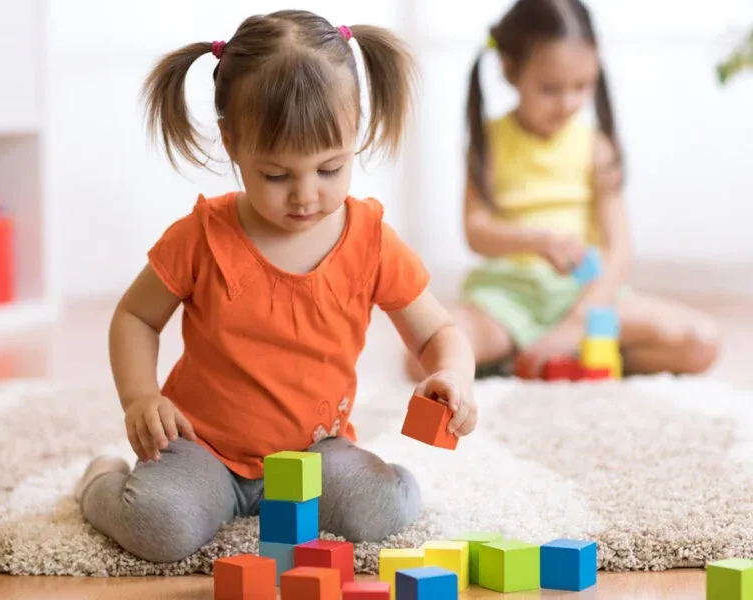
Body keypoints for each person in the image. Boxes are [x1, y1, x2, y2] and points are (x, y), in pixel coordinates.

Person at [73, 10, 476, 563]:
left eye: (330, 169)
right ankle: (99, 481)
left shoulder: (371, 240)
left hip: (316, 453)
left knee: (378, 512)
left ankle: (359, 485)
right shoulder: (202, 236)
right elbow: (135, 318)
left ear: (355, 129)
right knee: (157, 527)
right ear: (233, 144)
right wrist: (140, 398)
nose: (306, 195)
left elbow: (438, 331)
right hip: (204, 449)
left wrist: (451, 375)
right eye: (277, 175)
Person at [409, 0, 720, 381]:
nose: (569, 102)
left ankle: (568, 355)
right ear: (510, 70)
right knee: (423, 357)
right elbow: (476, 232)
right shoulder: (487, 143)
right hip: (508, 300)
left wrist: (576, 323)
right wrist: (538, 241)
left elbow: (619, 252)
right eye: (551, 89)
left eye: (582, 86)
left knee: (701, 342)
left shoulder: (597, 147)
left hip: (587, 300)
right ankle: (531, 350)